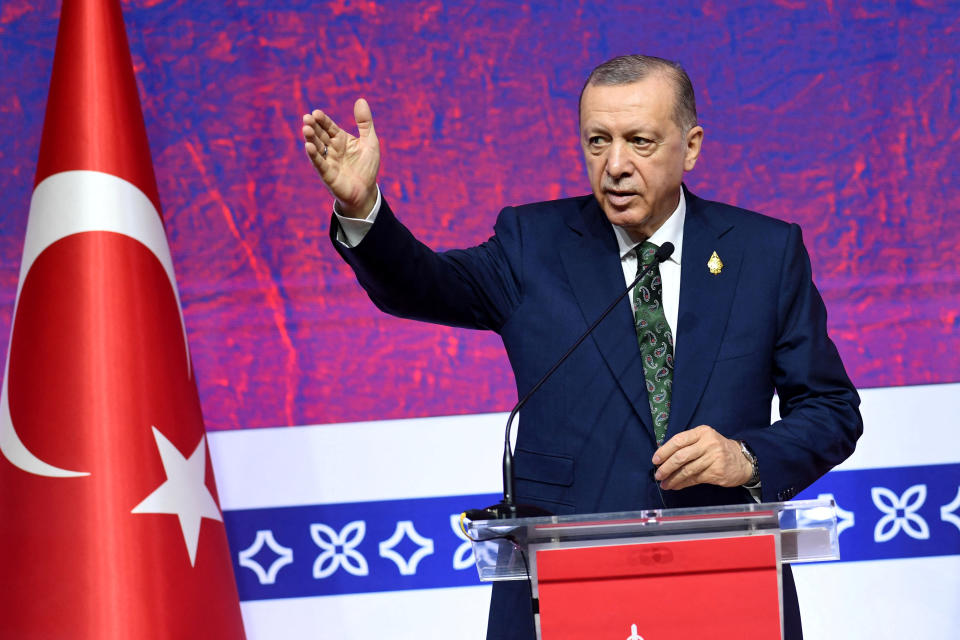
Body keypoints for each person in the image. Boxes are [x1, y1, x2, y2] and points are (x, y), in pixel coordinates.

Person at [302, 55, 861, 640]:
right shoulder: (532, 244)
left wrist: (746, 458)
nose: (615, 165)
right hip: (565, 589)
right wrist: (363, 209)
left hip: (726, 582)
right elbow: (420, 285)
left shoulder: (764, 253)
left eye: (640, 142)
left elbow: (831, 410)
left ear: (690, 146)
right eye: (598, 142)